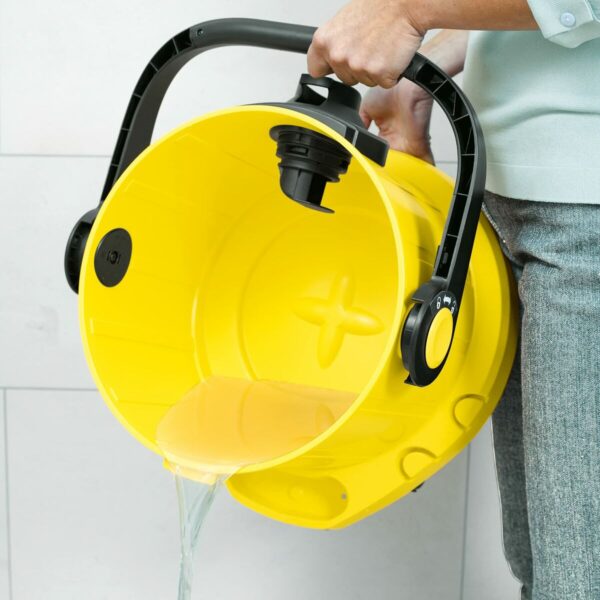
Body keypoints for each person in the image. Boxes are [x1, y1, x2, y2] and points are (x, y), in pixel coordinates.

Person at [306, 2, 600, 599]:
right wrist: (428, 66)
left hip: (582, 207)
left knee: (576, 577)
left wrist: (406, 14)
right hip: (513, 198)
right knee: (542, 562)